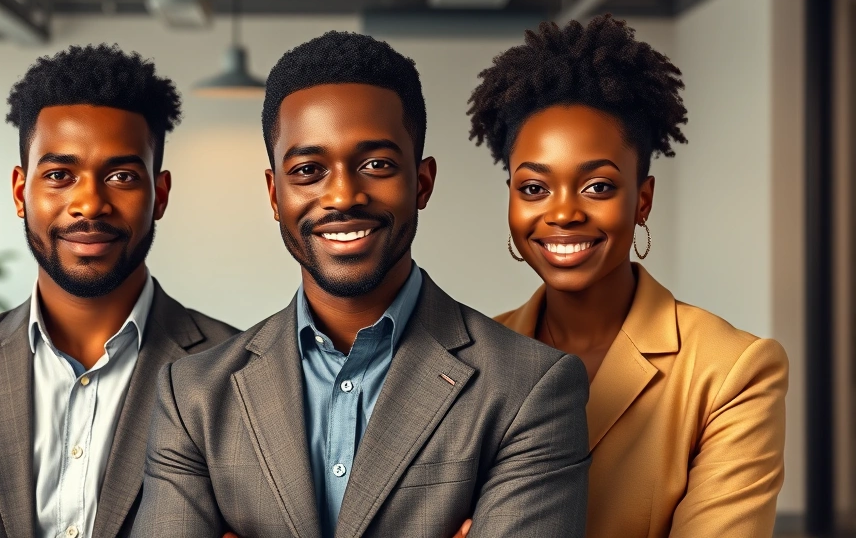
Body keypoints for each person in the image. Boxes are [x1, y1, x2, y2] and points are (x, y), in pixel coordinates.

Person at [131, 31, 590, 538]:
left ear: (422, 182)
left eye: (376, 164)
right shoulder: (193, 395)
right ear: (274, 194)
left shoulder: (529, 388)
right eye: (308, 170)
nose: (343, 195)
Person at [0, 44, 238, 538]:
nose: (89, 203)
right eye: (60, 175)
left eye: (122, 176)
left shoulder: (237, 373)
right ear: (21, 192)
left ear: (159, 194)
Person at [466, 15, 788, 537]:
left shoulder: (730, 371)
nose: (563, 213)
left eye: (597, 186)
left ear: (642, 201)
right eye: (533, 188)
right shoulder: (470, 359)